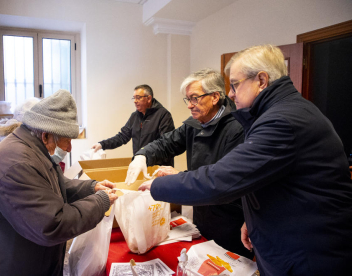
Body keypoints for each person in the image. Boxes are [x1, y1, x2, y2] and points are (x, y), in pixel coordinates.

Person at [138, 45, 352, 275]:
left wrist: (157, 186)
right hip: (285, 237)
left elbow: (222, 179)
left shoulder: (281, 122)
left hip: (308, 252)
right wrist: (253, 220)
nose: (231, 93)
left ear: (261, 80)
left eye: (235, 84)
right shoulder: (280, 113)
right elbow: (267, 179)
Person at [0, 89, 118, 276]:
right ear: (46, 136)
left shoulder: (34, 151)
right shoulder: (16, 165)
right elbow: (54, 224)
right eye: (66, 140)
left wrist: (91, 188)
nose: (69, 148)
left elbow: (56, 186)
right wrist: (99, 202)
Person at [125, 69, 253, 259]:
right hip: (202, 213)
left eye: (195, 98)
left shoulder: (237, 129)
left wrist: (178, 177)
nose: (189, 105)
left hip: (229, 218)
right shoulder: (196, 123)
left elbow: (217, 179)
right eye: (188, 99)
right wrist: (143, 155)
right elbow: (167, 142)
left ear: (215, 97)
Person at [92, 84, 175, 166]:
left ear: (149, 98)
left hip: (159, 167)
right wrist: (102, 144)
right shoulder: (134, 116)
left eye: (138, 98)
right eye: (134, 98)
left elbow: (166, 144)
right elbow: (122, 137)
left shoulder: (163, 115)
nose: (135, 101)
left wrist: (145, 155)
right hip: (139, 164)